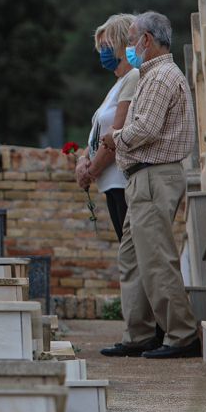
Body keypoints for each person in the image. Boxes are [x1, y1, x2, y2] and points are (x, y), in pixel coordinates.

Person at [98, 11, 200, 359]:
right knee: (132, 258)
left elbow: (146, 129)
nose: (128, 48)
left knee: (156, 258)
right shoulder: (152, 75)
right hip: (144, 177)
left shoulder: (159, 78)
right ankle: (138, 333)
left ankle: (182, 334)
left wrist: (116, 137)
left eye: (130, 40)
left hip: (154, 176)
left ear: (147, 40)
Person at [74, 14, 139, 243]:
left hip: (121, 180)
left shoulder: (133, 76)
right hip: (110, 183)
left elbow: (117, 131)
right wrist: (83, 158)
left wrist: (91, 172)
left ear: (123, 43)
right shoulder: (118, 84)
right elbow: (97, 133)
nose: (103, 51)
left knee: (130, 246)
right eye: (100, 46)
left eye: (107, 45)